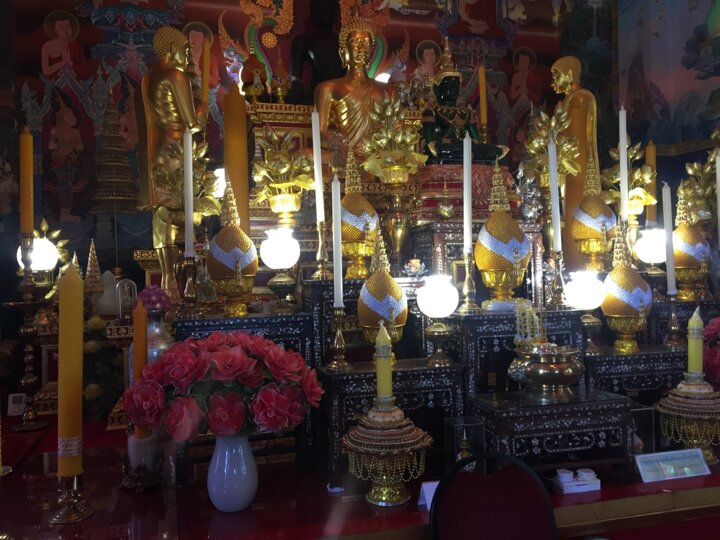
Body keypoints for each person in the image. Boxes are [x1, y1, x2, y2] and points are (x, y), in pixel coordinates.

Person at [136, 26, 207, 246]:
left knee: (162, 208)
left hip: (155, 149)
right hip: (176, 147)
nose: (187, 58)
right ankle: (185, 251)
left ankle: (164, 262)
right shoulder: (176, 75)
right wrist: (203, 111)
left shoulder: (147, 78)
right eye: (185, 52)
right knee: (179, 205)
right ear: (173, 48)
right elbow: (192, 124)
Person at [314, 13, 394, 151]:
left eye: (366, 43)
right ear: (343, 51)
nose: (361, 48)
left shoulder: (387, 90)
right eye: (355, 42)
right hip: (345, 155)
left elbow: (394, 132)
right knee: (305, 156)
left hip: (377, 156)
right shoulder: (327, 88)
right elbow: (319, 134)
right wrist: (337, 144)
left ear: (372, 51)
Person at [551, 55, 600, 269]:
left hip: (577, 172)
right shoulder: (569, 101)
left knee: (575, 208)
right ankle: (570, 262)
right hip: (566, 172)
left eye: (556, 75)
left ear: (569, 74)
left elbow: (576, 141)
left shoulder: (579, 99)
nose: (552, 82)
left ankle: (576, 263)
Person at [288, 0, 345, 104]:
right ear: (312, 11)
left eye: (328, 7)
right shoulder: (302, 41)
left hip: (342, 96)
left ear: (336, 11)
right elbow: (295, 78)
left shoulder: (345, 41)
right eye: (319, 7)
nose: (323, 11)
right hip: (315, 94)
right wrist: (297, 88)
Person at [41, 10, 87, 80]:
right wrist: (63, 62)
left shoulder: (76, 47)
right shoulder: (47, 46)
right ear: (54, 29)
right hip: (55, 82)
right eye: (61, 27)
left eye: (68, 26)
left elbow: (84, 71)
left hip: (73, 81)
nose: (65, 30)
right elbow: (46, 71)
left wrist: (72, 64)